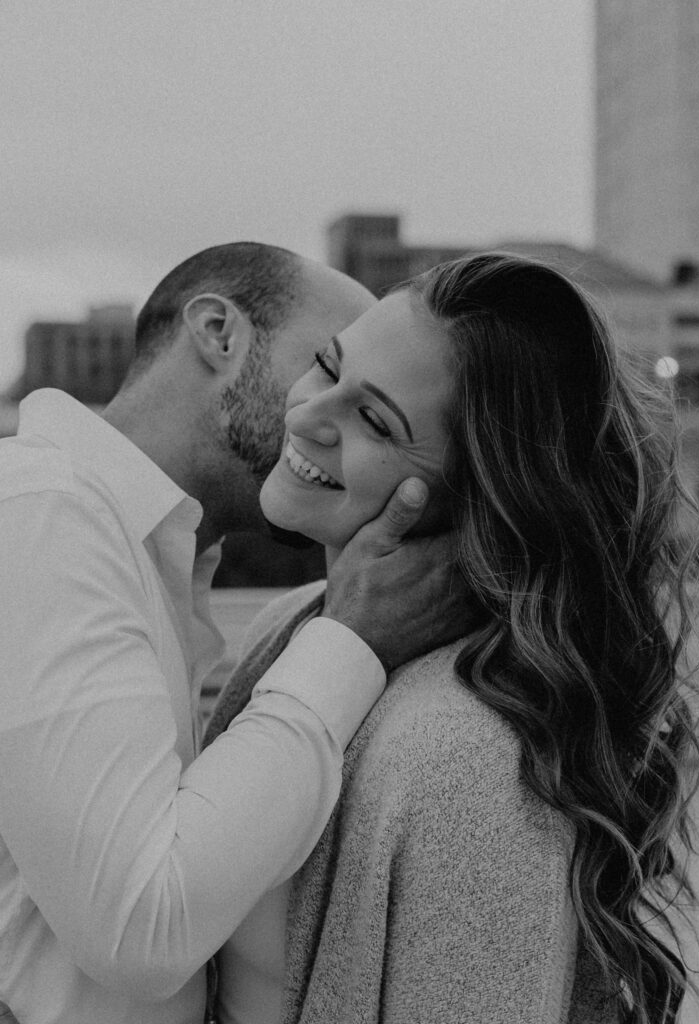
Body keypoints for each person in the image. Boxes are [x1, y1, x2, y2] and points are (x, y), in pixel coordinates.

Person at [205, 252, 699, 1024]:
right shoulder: (296, 629)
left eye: (373, 420)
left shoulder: (463, 758)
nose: (305, 415)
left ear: (480, 493)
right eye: (325, 366)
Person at [0, 242, 465, 1024]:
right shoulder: (44, 512)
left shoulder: (143, 554)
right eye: (323, 363)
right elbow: (141, 928)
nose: (324, 414)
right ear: (218, 331)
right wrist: (348, 642)